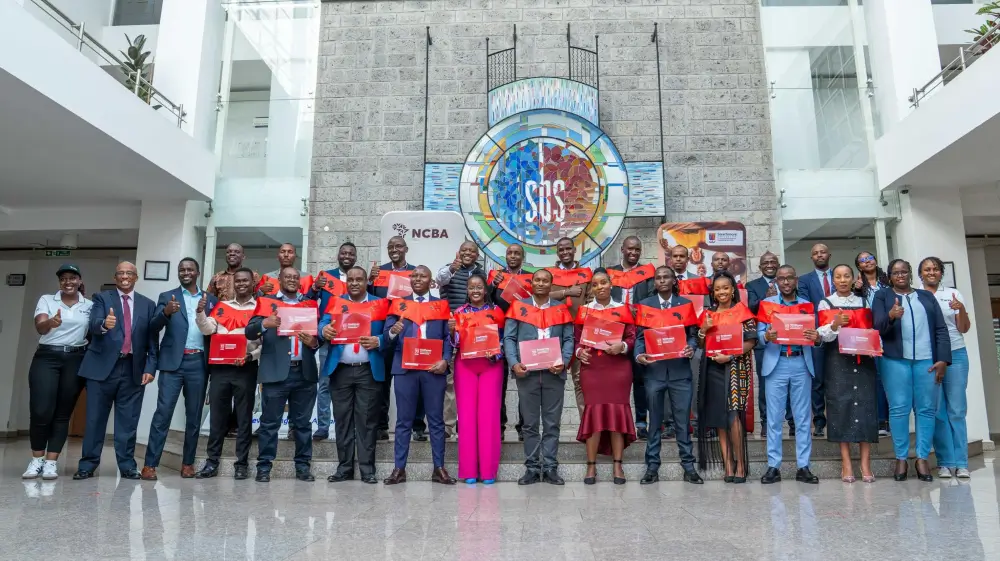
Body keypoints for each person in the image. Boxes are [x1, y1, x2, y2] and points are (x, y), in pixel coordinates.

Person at [74, 262, 158, 480]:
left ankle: (128, 465)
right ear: (115, 276)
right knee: (94, 420)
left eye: (129, 273)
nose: (124, 276)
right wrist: (105, 324)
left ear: (136, 277)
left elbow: (152, 341)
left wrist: (151, 367)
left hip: (133, 369)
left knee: (128, 422)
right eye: (120, 273)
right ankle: (87, 465)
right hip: (102, 369)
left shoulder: (148, 305)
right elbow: (93, 325)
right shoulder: (102, 298)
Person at [872, 259, 950, 482]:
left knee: (926, 409)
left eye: (904, 272)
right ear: (889, 276)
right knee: (899, 409)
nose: (900, 275)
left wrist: (943, 359)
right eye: (895, 273)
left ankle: (922, 458)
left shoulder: (925, 297)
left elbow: (940, 328)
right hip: (895, 360)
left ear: (910, 274)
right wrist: (891, 316)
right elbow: (876, 327)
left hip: (927, 360)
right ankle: (901, 458)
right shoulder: (882, 296)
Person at [142, 258, 216, 480]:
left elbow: (214, 332)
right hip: (173, 364)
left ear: (198, 272)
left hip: (198, 364)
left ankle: (188, 464)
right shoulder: (167, 297)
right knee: (162, 414)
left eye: (190, 269)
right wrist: (165, 312)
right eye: (182, 269)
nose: (186, 272)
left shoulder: (210, 299)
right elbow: (153, 327)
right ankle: (150, 465)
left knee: (193, 417)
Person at [246, 267, 322, 483]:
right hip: (275, 374)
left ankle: (303, 467)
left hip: (304, 372)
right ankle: (264, 467)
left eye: (295, 277)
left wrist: (314, 342)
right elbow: (249, 331)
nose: (291, 280)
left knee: (303, 424)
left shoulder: (309, 304)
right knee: (270, 423)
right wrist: (264, 323)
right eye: (287, 277)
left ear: (300, 282)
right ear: (279, 279)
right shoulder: (266, 302)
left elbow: (320, 337)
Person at [382, 266, 456, 485]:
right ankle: (399, 469)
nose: (417, 278)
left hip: (433, 369)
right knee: (403, 421)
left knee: (436, 421)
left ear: (430, 280)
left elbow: (447, 338)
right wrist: (393, 331)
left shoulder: (440, 305)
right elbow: (387, 337)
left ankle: (439, 468)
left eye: (422, 275)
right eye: (414, 275)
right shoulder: (398, 304)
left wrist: (445, 359)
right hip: (405, 369)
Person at [504, 269, 575, 486]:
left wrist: (563, 360)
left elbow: (569, 338)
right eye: (538, 280)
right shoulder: (519, 307)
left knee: (552, 424)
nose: (541, 283)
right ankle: (533, 468)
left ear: (551, 284)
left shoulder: (561, 309)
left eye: (546, 280)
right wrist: (514, 363)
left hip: (554, 373)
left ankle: (551, 467)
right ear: (531, 283)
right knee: (530, 425)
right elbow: (509, 338)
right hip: (528, 374)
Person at [318, 266, 387, 485]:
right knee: (342, 420)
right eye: (351, 280)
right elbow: (322, 323)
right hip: (341, 370)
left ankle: (367, 469)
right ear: (346, 282)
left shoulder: (379, 303)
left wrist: (379, 341)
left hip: (368, 369)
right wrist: (323, 331)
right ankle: (344, 468)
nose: (355, 283)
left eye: (359, 279)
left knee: (367, 421)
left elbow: (390, 332)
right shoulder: (336, 301)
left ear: (367, 281)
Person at [23, 264, 91, 480]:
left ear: (80, 281)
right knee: (41, 410)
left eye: (72, 278)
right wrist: (51, 322)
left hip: (75, 358)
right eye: (63, 279)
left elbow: (96, 330)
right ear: (59, 282)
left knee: (62, 413)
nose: (68, 282)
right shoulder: (47, 300)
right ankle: (36, 460)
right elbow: (40, 327)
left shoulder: (89, 305)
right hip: (47, 357)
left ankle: (51, 462)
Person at [634, 266, 702, 484]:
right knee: (654, 422)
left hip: (680, 372)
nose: (662, 280)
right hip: (654, 371)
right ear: (654, 282)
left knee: (682, 421)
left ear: (674, 280)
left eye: (666, 277)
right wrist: (639, 355)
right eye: (658, 278)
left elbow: (692, 336)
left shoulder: (685, 305)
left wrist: (691, 347)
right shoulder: (645, 305)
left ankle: (689, 467)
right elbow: (639, 338)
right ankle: (652, 467)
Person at [757, 265, 821, 485]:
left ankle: (804, 466)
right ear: (776, 281)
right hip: (777, 364)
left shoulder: (806, 305)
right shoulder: (768, 305)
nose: (785, 282)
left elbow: (816, 335)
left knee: (803, 419)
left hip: (801, 363)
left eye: (789, 278)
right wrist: (767, 335)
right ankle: (773, 466)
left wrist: (816, 336)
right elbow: (758, 335)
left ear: (796, 280)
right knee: (774, 419)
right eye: (781, 279)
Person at [195, 267, 259, 480]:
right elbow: (207, 329)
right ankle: (212, 462)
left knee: (243, 419)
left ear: (252, 284)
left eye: (245, 281)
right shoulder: (222, 307)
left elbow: (264, 343)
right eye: (238, 281)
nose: (241, 284)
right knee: (217, 418)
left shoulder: (260, 309)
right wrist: (200, 313)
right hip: (221, 369)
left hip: (246, 368)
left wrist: (252, 356)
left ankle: (241, 464)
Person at [574, 269, 637, 485]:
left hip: (617, 367)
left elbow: (632, 338)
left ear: (611, 284)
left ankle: (617, 465)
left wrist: (623, 346)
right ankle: (590, 466)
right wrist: (578, 352)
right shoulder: (583, 311)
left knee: (617, 413)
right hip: (593, 367)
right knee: (594, 414)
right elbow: (575, 340)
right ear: (591, 288)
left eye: (604, 283)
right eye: (595, 284)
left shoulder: (623, 310)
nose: (600, 287)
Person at [817, 264, 878, 483]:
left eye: (846, 276)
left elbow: (873, 328)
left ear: (854, 278)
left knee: (865, 407)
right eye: (838, 277)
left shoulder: (864, 301)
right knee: (840, 407)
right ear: (832, 280)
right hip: (837, 359)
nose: (842, 280)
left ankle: (865, 464)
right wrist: (834, 324)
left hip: (863, 361)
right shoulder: (826, 302)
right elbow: (822, 336)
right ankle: (846, 464)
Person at [695, 272, 756, 483]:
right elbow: (701, 344)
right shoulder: (708, 314)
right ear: (713, 292)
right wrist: (703, 331)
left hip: (735, 367)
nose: (722, 292)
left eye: (726, 288)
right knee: (720, 419)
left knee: (733, 418)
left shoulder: (742, 311)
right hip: (712, 369)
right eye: (717, 289)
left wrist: (729, 356)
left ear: (732, 290)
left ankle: (740, 464)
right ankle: (727, 464)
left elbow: (751, 341)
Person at [919, 256, 972, 479]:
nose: (931, 272)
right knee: (937, 410)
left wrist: (961, 310)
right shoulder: (916, 296)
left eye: (935, 269)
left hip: (956, 354)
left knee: (957, 410)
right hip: (930, 356)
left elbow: (964, 328)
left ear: (941, 273)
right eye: (927, 269)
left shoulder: (952, 294)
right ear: (920, 274)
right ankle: (945, 462)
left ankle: (961, 463)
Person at [369, 236, 424, 441]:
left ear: (406, 249)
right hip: (386, 333)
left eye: (398, 246)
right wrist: (369, 281)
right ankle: (381, 425)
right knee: (382, 382)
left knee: (415, 379)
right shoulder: (379, 272)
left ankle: (417, 426)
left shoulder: (416, 273)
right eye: (390, 246)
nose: (394, 249)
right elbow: (369, 300)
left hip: (410, 331)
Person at [451, 273, 504, 484]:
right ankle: (469, 471)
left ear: (485, 290)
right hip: (465, 365)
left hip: (491, 365)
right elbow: (454, 343)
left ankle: (489, 471)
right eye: (471, 287)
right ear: (467, 290)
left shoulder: (496, 312)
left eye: (479, 287)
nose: (475, 290)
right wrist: (452, 332)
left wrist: (497, 353)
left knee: (488, 416)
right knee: (467, 417)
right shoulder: (459, 312)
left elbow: (504, 339)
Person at [437, 240, 487, 438]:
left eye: (472, 251)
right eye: (464, 249)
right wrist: (451, 267)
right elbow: (440, 280)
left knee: (471, 383)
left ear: (477, 255)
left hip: (476, 336)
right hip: (452, 332)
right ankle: (448, 427)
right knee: (449, 382)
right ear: (459, 251)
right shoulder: (449, 270)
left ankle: (469, 425)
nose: (468, 253)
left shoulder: (482, 275)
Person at [607, 236, 655, 441]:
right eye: (630, 249)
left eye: (637, 249)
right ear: (622, 249)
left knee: (640, 379)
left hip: (641, 332)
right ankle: (616, 422)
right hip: (616, 331)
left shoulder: (647, 274)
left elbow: (652, 300)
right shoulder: (610, 273)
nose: (633, 252)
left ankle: (641, 422)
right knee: (616, 380)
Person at [312, 242, 358, 441]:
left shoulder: (359, 278)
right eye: (343, 253)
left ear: (355, 258)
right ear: (338, 256)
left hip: (354, 339)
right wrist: (314, 287)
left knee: (353, 384)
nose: (347, 256)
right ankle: (323, 426)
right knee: (325, 384)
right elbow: (309, 299)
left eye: (351, 253)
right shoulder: (326, 277)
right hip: (329, 339)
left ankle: (351, 427)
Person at [746, 252, 794, 437]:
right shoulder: (752, 286)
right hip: (765, 344)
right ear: (760, 267)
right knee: (766, 384)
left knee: (791, 383)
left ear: (778, 264)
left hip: (791, 341)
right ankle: (766, 422)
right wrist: (766, 297)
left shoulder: (789, 284)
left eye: (773, 261)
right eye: (765, 262)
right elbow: (750, 309)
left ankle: (792, 422)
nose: (769, 264)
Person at [546, 237, 592, 422]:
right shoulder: (549, 274)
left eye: (568, 249)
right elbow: (540, 295)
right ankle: (551, 424)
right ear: (557, 252)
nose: (565, 252)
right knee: (553, 379)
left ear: (574, 250)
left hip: (580, 331)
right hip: (555, 330)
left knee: (581, 380)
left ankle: (586, 426)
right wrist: (565, 292)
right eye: (561, 249)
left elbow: (590, 300)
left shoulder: (585, 274)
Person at [489, 243, 529, 441]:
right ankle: (500, 426)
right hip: (499, 334)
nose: (512, 256)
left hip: (524, 334)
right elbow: (485, 302)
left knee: (524, 381)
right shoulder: (495, 276)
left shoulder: (530, 277)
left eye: (517, 253)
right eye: (509, 253)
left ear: (523, 257)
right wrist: (492, 285)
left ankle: (523, 426)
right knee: (499, 382)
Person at [796, 243, 832, 437]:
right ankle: (819, 421)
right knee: (817, 379)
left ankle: (838, 419)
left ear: (829, 254)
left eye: (823, 252)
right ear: (811, 257)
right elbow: (806, 308)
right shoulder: (804, 280)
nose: (819, 255)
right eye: (815, 253)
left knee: (838, 379)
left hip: (840, 335)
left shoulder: (842, 276)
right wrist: (822, 330)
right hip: (817, 335)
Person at [854, 251, 891, 436]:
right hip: (871, 338)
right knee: (876, 380)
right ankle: (881, 421)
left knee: (891, 380)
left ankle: (893, 419)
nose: (867, 261)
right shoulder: (859, 287)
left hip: (891, 335)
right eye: (862, 260)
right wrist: (857, 290)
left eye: (869, 258)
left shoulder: (889, 283)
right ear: (859, 267)